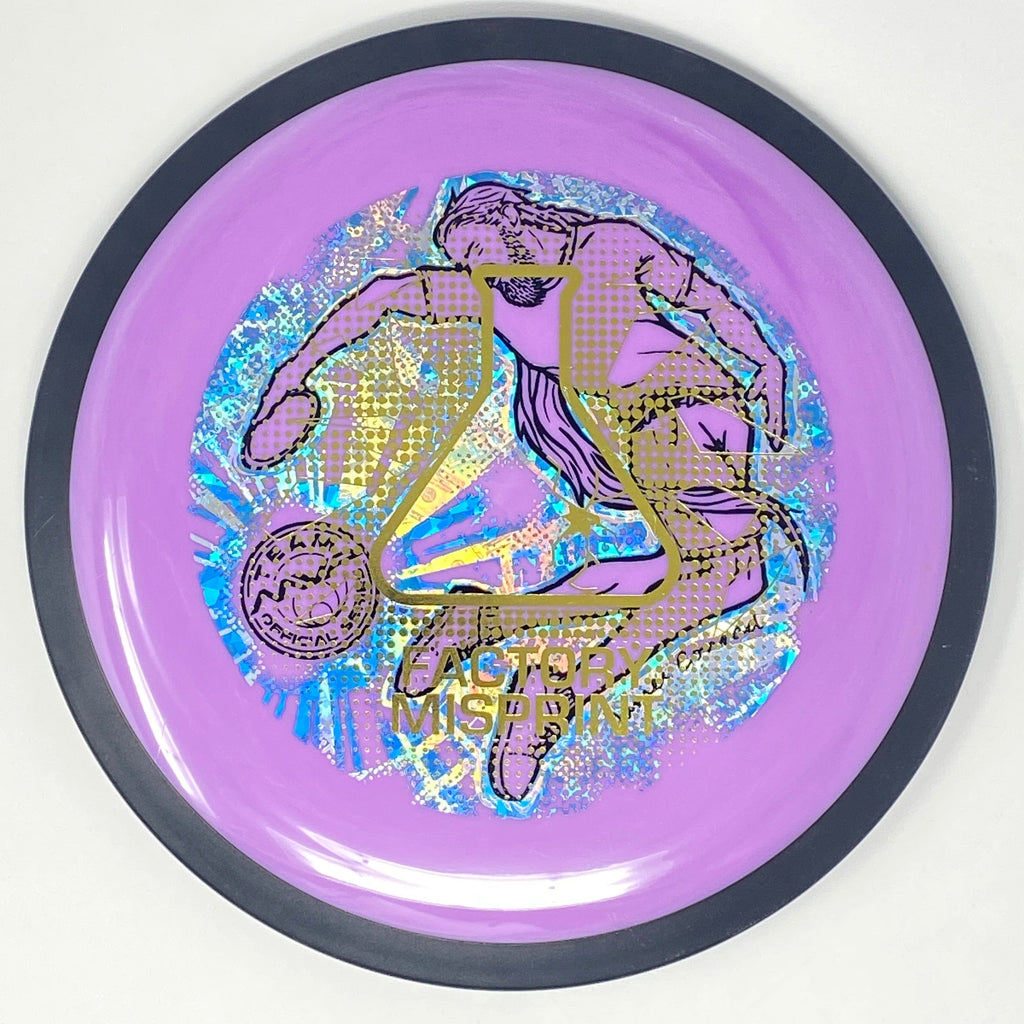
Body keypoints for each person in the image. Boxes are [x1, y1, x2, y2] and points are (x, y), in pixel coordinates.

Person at [242, 182, 805, 802]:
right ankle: (554, 693)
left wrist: (767, 362)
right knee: (718, 578)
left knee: (721, 581)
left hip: (714, 411)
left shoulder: (610, 245)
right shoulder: (493, 295)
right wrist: (291, 377)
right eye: (463, 262)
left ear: (513, 218)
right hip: (665, 426)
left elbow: (706, 301)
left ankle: (487, 625)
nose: (475, 268)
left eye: (479, 247)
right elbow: (384, 297)